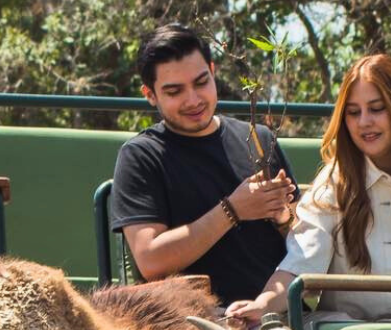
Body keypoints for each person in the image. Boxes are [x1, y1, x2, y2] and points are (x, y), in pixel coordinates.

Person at [227, 53, 391, 327]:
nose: (364, 122)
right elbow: (300, 265)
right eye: (354, 112)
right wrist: (262, 305)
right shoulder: (333, 187)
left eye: (377, 109)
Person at [110, 23, 298, 308]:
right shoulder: (141, 156)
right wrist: (232, 210)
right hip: (201, 319)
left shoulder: (258, 139)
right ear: (150, 94)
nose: (193, 100)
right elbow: (150, 260)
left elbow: (304, 241)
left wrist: (284, 217)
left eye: (201, 83)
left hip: (282, 309)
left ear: (212, 71)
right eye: (174, 91)